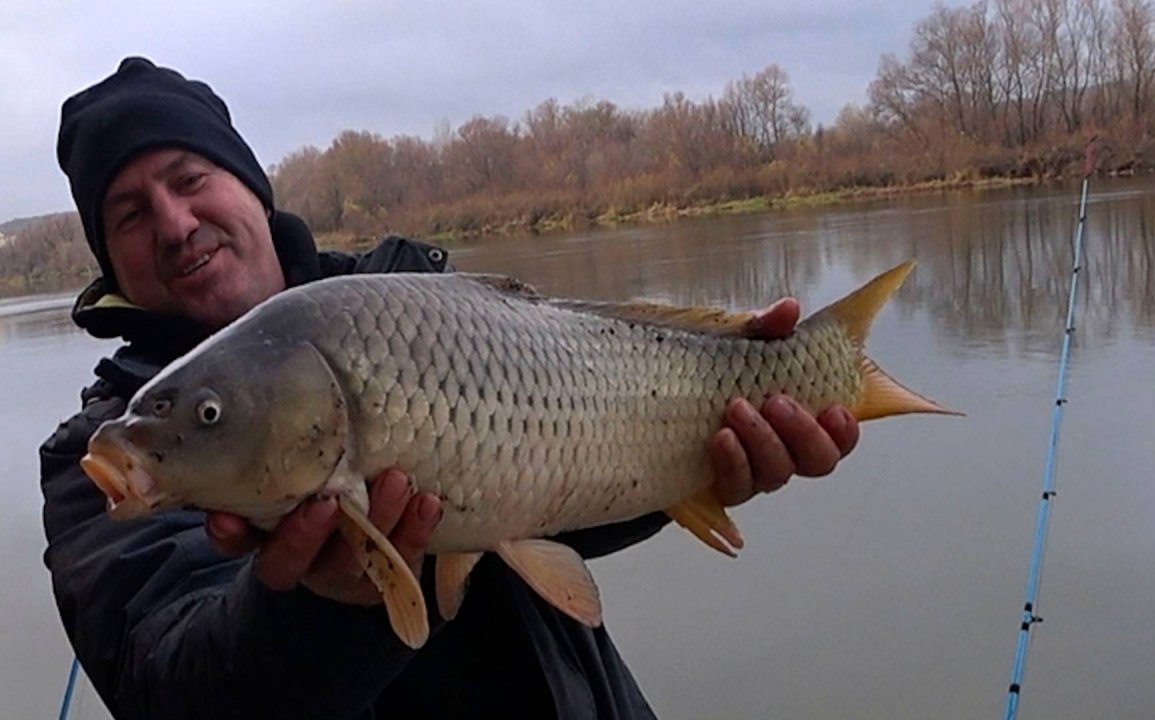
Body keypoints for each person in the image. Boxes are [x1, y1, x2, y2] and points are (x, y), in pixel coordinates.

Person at [40, 57, 860, 719]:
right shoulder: (105, 459)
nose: (175, 224)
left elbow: (558, 474)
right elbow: (172, 687)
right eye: (130, 215)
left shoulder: (412, 303)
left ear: (250, 187)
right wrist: (321, 607)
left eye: (189, 180)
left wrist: (708, 458)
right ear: (111, 264)